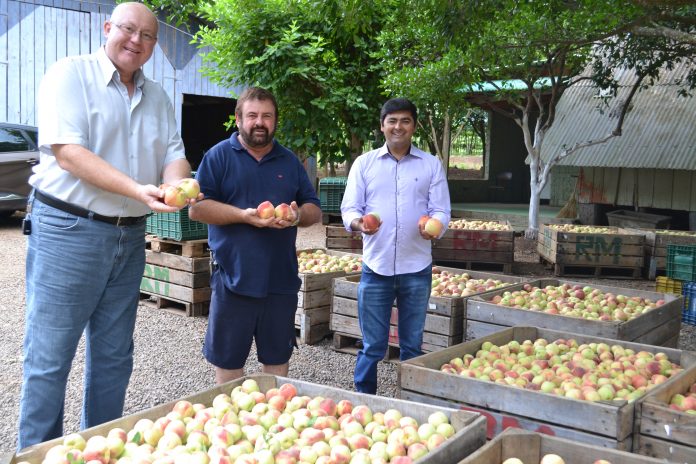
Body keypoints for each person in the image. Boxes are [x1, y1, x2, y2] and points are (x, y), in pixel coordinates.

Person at [18, 2, 197, 450]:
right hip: (68, 228)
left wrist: (176, 186)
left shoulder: (158, 97)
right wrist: (139, 190)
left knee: (114, 357)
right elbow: (68, 153)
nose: (137, 41)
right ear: (106, 28)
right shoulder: (70, 75)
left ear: (154, 45)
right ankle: (37, 455)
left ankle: (100, 451)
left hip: (130, 234)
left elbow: (174, 155)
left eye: (148, 36)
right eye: (128, 30)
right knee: (50, 357)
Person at [189, 87, 322, 384]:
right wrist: (243, 216)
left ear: (275, 121)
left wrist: (297, 216)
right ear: (238, 119)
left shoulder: (289, 161)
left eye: (267, 116)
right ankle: (230, 412)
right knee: (228, 361)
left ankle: (271, 409)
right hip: (232, 278)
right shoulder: (218, 157)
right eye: (252, 116)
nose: (259, 122)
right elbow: (197, 210)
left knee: (276, 361)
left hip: (280, 280)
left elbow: (314, 209)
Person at [341, 97, 451, 394]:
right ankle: (364, 398)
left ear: (414, 126)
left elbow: (441, 210)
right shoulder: (364, 164)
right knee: (372, 345)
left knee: (412, 344)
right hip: (375, 267)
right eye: (392, 121)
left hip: (416, 267)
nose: (398, 127)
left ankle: (410, 398)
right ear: (382, 126)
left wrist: (435, 228)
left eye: (405, 121)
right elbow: (349, 208)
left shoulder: (430, 164)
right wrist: (359, 224)